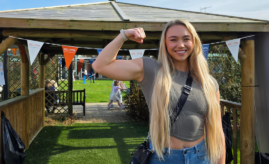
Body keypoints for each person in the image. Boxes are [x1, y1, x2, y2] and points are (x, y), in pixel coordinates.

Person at [93, 19, 225, 164]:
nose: (180, 45)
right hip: (163, 157)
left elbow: (217, 132)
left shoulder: (209, 83)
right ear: (165, 44)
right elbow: (100, 66)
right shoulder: (151, 69)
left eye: (186, 39)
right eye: (173, 40)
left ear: (194, 42)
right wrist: (123, 35)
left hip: (200, 158)